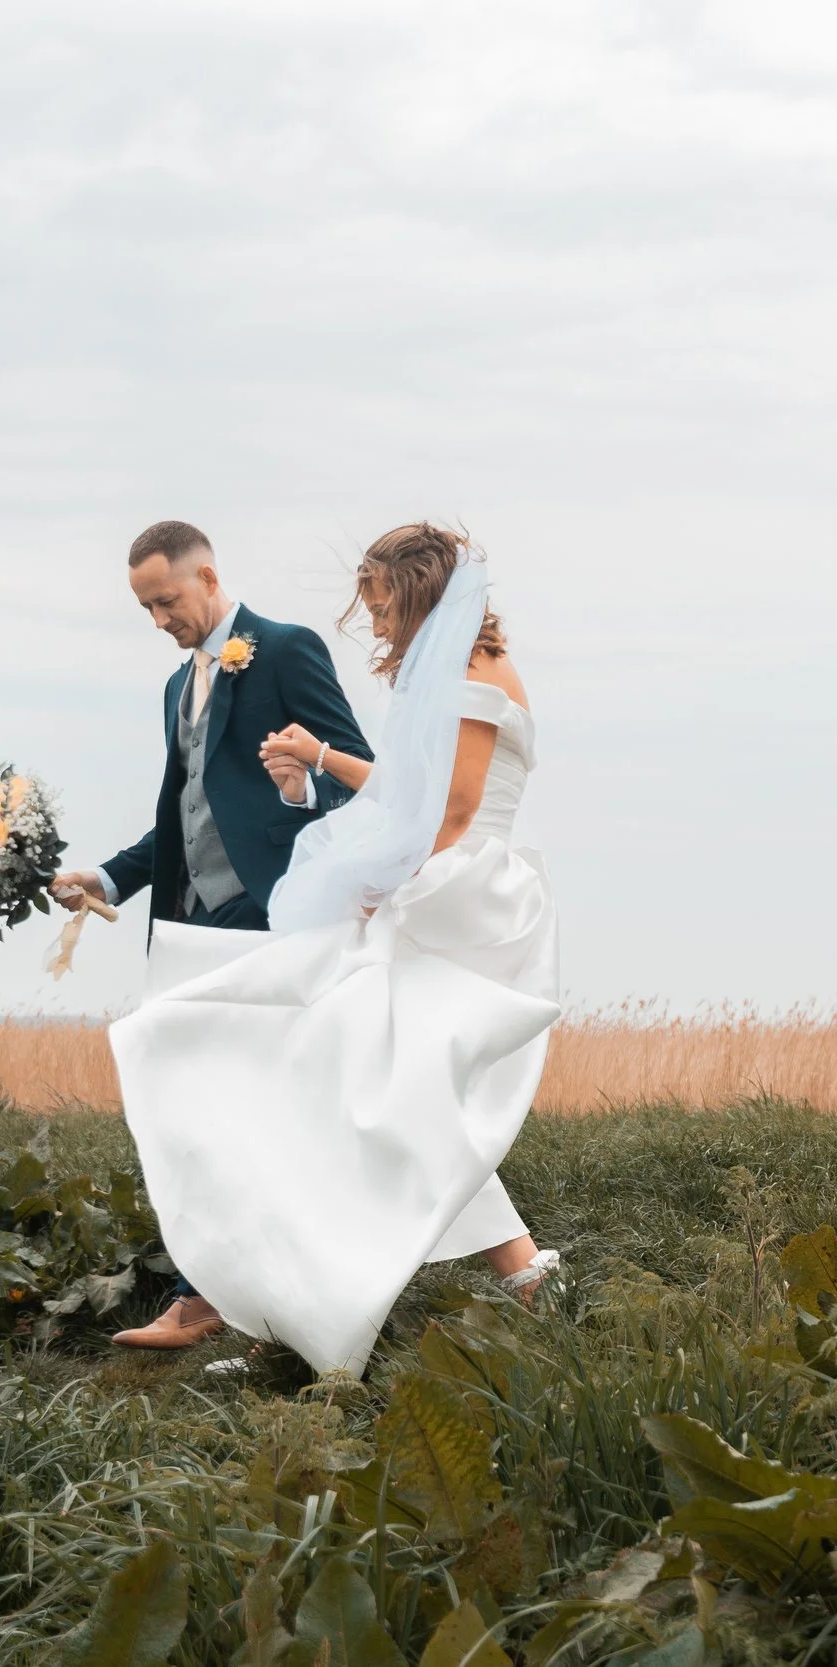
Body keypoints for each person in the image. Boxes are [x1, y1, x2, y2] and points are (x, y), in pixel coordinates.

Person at [104, 523, 559, 1376]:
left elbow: (454, 814)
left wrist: (379, 885)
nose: (376, 624)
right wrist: (316, 765)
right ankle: (500, 1277)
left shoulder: (479, 673)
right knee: (377, 1095)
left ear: (419, 589)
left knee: (371, 1091)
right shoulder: (450, 673)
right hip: (433, 890)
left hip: (460, 901)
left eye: (383, 604)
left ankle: (302, 1313)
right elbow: (406, 789)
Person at [53, 519, 373, 1350]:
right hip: (193, 924)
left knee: (232, 1105)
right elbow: (186, 815)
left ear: (207, 576)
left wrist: (303, 790)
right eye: (146, 609)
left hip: (272, 915)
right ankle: (225, 1297)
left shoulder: (288, 649)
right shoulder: (175, 688)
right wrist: (110, 878)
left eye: (166, 601)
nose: (160, 620)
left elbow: (364, 779)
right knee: (202, 1108)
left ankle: (213, 1301)